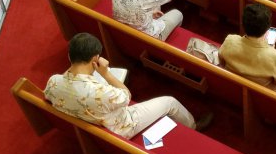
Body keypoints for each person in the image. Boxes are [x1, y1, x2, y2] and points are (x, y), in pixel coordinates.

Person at [44, 33, 212, 139]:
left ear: (70, 56)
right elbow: (126, 97)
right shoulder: (101, 93)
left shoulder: (53, 82)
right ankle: (193, 126)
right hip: (121, 126)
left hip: (86, 120)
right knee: (170, 102)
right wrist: (106, 74)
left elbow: (59, 89)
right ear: (95, 59)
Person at [219, 3, 276, 92]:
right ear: (267, 29)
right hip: (260, 93)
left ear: (243, 24)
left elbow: (222, 62)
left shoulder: (230, 40)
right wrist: (272, 51)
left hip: (232, 85)